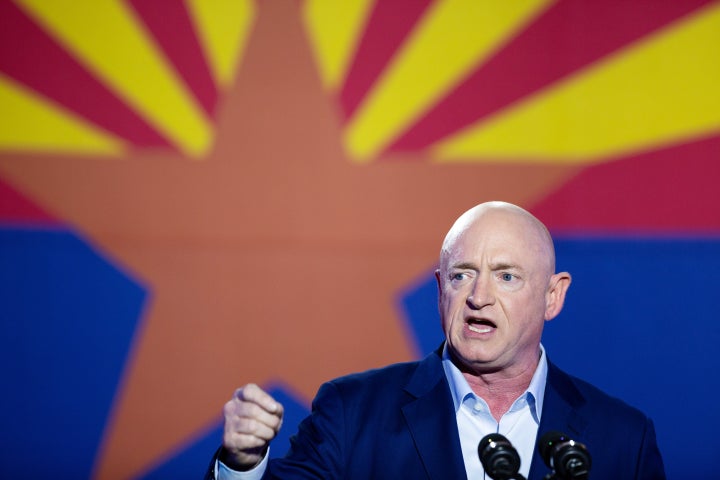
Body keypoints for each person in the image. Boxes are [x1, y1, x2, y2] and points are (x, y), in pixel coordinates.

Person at [205, 201, 666, 479]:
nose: (479, 297)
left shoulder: (622, 438)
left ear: (553, 295)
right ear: (440, 288)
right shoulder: (352, 413)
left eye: (506, 276)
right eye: (463, 275)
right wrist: (243, 465)